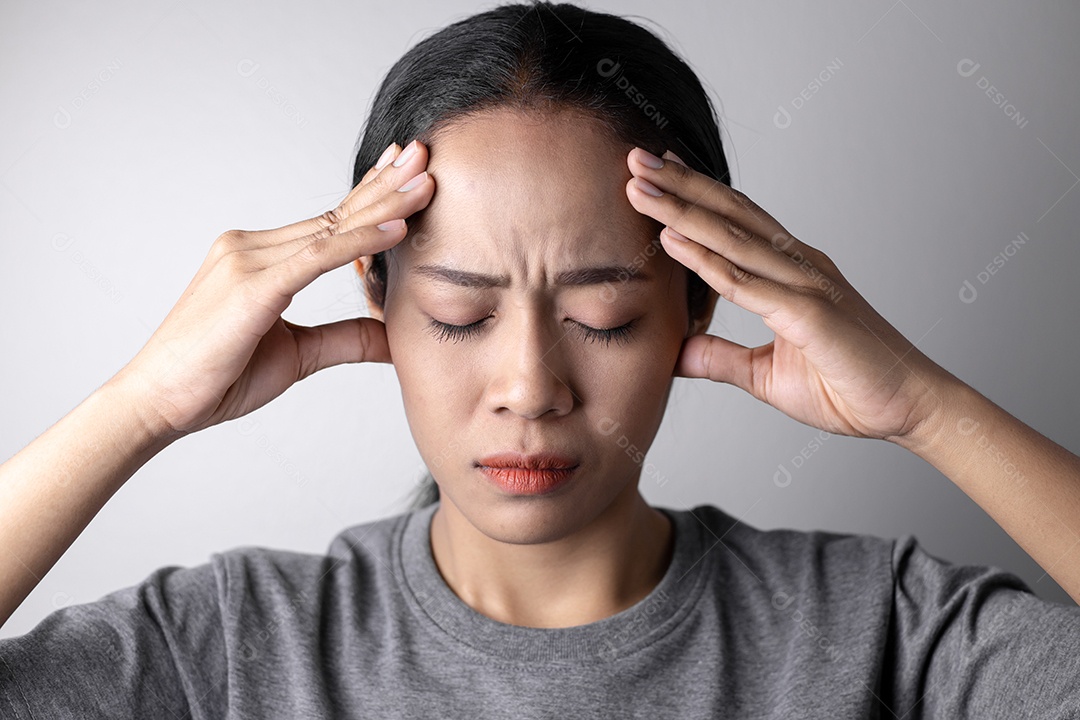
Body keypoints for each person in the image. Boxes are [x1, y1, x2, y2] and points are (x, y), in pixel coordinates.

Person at [2, 2, 1079, 717]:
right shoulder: (232, 650)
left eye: (604, 316)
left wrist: (927, 411)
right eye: (462, 316)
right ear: (376, 294)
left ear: (696, 304)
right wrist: (139, 406)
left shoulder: (880, 632)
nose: (530, 388)